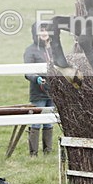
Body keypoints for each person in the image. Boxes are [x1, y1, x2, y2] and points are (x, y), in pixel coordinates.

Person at [23, 22, 53, 156]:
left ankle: (48, 152)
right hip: (38, 93)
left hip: (52, 92)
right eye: (41, 30)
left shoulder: (53, 49)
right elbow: (27, 72)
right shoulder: (31, 50)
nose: (44, 33)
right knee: (36, 122)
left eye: (46, 30)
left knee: (49, 122)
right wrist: (37, 79)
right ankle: (33, 153)